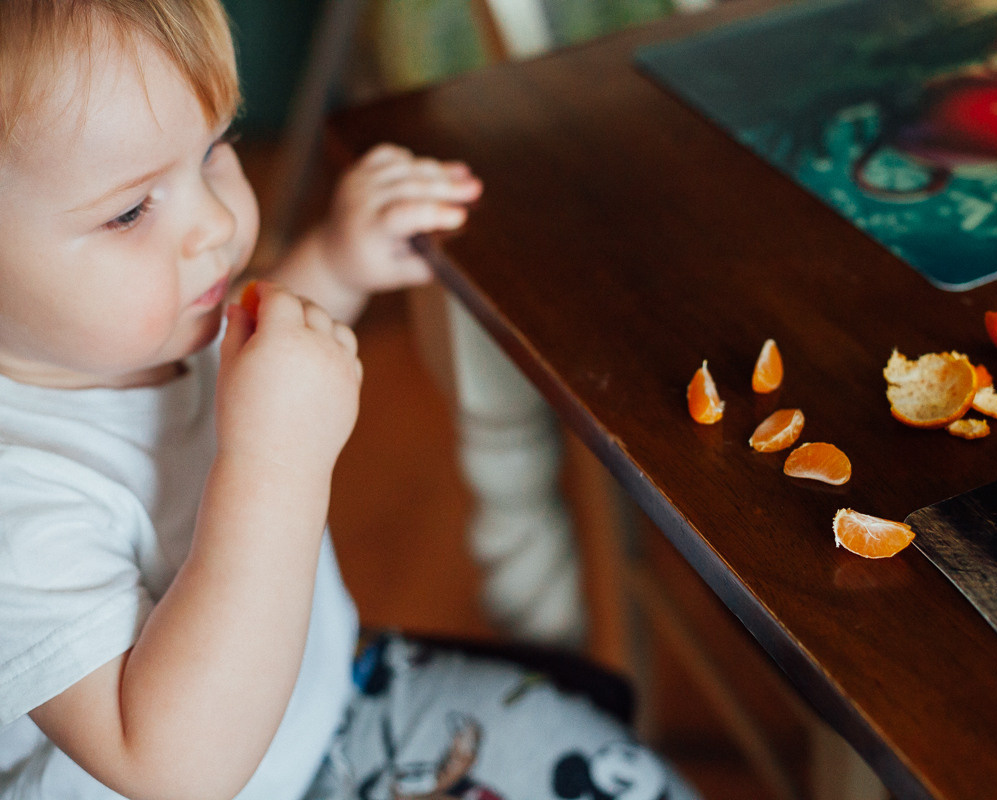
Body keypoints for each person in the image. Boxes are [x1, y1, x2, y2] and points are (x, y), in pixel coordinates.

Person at [0, 2, 701, 799]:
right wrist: (275, 463)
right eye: (129, 210)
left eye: (217, 150)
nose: (218, 223)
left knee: (611, 767)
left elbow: (248, 348)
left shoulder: (147, 329)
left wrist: (335, 263)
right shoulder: (17, 506)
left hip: (330, 707)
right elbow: (173, 768)